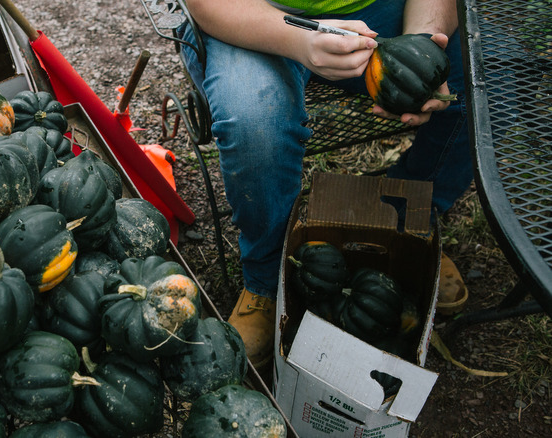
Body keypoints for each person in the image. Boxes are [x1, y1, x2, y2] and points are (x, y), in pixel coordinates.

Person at [179, 0, 472, 367]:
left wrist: (421, 44)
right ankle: (268, 280)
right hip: (251, 14)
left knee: (492, 83)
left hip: (379, 8)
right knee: (255, 124)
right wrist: (300, 40)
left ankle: (405, 222)